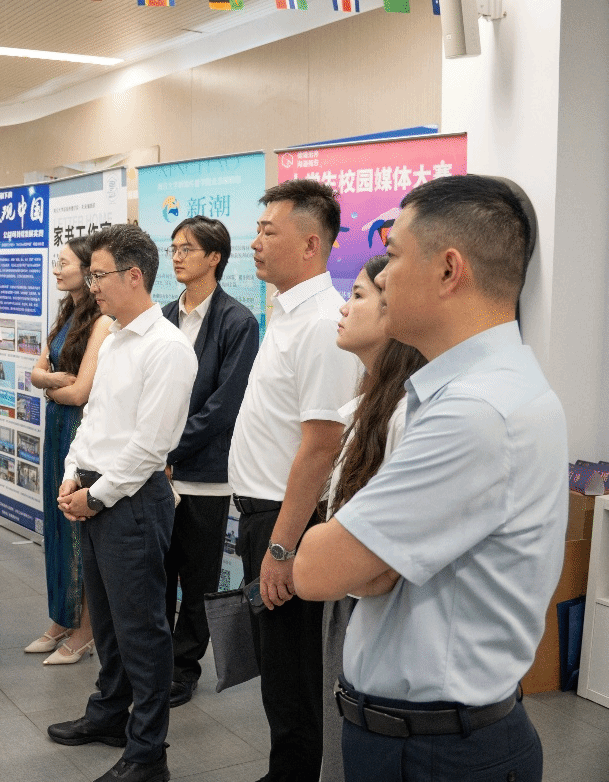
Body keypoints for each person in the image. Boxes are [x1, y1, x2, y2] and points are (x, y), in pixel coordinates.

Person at [295, 175, 564, 782]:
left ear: (448, 270)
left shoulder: (476, 411)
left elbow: (318, 570)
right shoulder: (460, 389)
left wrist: (361, 557)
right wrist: (372, 560)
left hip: (436, 753)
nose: (382, 278)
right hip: (420, 737)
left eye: (392, 256)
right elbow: (367, 571)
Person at [47, 223, 195, 782]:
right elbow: (94, 418)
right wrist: (72, 476)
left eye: (99, 275)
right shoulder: (112, 336)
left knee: (142, 630)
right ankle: (109, 714)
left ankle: (148, 752)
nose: (92, 286)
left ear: (134, 276)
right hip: (94, 487)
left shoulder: (167, 348)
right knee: (107, 622)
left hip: (130, 498)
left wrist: (97, 495)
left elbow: (150, 447)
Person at [229, 179, 360, 782]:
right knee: (278, 668)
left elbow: (321, 444)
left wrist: (282, 548)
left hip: (291, 522)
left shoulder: (322, 324)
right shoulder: (286, 314)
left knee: (295, 672)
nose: (255, 242)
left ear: (311, 244)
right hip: (266, 517)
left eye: (268, 231)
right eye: (257, 230)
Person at [314, 255, 426, 782]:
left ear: (393, 311)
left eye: (358, 295)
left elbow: (386, 559)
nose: (344, 307)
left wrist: (321, 558)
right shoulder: (369, 403)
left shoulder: (407, 413)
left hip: (371, 601)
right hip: (350, 596)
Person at [159, 215, 260, 706]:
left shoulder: (238, 322)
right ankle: (154, 660)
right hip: (156, 473)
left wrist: (166, 449)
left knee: (198, 579)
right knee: (157, 573)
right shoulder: (162, 317)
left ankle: (184, 667)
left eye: (187, 248)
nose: (177, 256)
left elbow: (223, 406)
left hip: (204, 474)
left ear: (215, 257)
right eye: (173, 247)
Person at [28, 236, 112, 665]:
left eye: (64, 263)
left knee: (78, 530)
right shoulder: (65, 313)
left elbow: (81, 393)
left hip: (79, 430)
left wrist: (52, 386)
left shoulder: (102, 321)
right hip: (57, 426)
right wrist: (54, 381)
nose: (58, 271)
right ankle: (62, 618)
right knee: (57, 526)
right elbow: (35, 372)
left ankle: (86, 630)